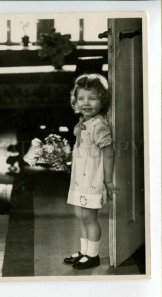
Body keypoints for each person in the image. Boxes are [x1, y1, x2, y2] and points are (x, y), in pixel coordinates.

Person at [64, 73, 119, 270]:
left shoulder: (100, 125)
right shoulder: (84, 121)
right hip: (80, 178)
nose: (86, 103)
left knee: (89, 217)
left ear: (102, 100)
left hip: (93, 178)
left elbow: (109, 152)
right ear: (75, 101)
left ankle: (93, 255)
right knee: (80, 215)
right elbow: (78, 136)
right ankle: (84, 251)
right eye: (81, 98)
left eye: (92, 98)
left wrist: (108, 180)